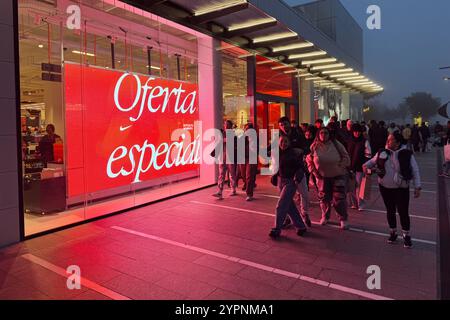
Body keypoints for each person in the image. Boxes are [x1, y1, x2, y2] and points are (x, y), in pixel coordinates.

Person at [363, 132, 421, 248]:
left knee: (403, 212)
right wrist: (365, 167)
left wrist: (417, 186)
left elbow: (415, 170)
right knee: (390, 210)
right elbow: (370, 162)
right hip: (385, 187)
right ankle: (393, 232)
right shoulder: (382, 152)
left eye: (390, 140)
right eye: (388, 139)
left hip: (401, 188)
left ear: (398, 142)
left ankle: (406, 235)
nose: (388, 142)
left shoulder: (406, 154)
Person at [306, 127, 351, 229]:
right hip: (322, 178)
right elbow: (309, 160)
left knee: (339, 200)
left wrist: (340, 166)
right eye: (321, 133)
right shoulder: (314, 146)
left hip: (337, 176)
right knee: (324, 199)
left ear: (329, 134)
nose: (323, 135)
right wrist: (313, 171)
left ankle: (343, 219)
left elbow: (346, 157)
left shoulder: (336, 144)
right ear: (318, 134)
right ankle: (325, 216)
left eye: (326, 133)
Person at [269, 135, 308, 238]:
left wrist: (298, 175)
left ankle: (277, 229)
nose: (283, 144)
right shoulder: (277, 153)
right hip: (281, 181)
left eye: (286, 141)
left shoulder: (294, 153)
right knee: (289, 206)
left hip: (291, 182)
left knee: (281, 205)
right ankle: (300, 226)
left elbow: (301, 167)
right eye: (281, 141)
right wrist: (275, 175)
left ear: (289, 142)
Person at [278, 117, 311, 227]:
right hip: (284, 174)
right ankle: (287, 218)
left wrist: (301, 150)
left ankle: (304, 213)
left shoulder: (298, 134)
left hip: (298, 170)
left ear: (289, 124)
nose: (284, 126)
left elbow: (307, 148)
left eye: (285, 124)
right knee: (285, 198)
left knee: (304, 194)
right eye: (281, 124)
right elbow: (271, 151)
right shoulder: (277, 136)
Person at [346, 123, 372, 211]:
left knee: (359, 186)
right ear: (352, 132)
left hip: (360, 167)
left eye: (358, 132)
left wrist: (365, 165)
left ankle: (360, 204)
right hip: (350, 167)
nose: (357, 133)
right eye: (355, 132)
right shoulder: (349, 140)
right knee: (351, 187)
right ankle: (354, 204)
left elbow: (368, 155)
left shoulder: (365, 141)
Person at [213, 120, 238, 199]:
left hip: (230, 157)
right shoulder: (222, 133)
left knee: (232, 174)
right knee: (221, 174)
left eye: (227, 125)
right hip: (222, 156)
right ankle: (220, 191)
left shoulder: (233, 134)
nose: (226, 126)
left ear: (230, 126)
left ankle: (233, 189)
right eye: (225, 124)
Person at [238, 123, 258, 201]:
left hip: (251, 158)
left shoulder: (254, 138)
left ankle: (249, 194)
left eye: (248, 129)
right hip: (243, 158)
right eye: (245, 129)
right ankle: (249, 184)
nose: (246, 130)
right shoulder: (242, 137)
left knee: (249, 175)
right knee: (243, 175)